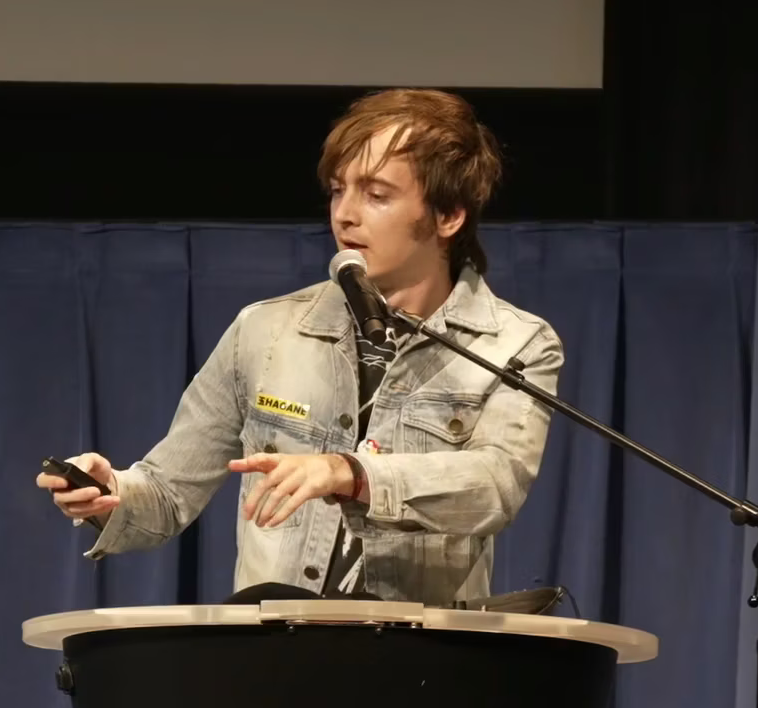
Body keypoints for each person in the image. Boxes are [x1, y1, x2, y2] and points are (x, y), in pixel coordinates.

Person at [36, 87, 564, 606]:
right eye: (337, 191)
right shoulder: (265, 331)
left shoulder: (516, 344)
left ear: (448, 216)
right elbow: (167, 493)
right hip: (276, 645)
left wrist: (350, 473)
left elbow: (494, 486)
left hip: (420, 651)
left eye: (376, 195)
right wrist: (109, 495)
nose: (345, 214)